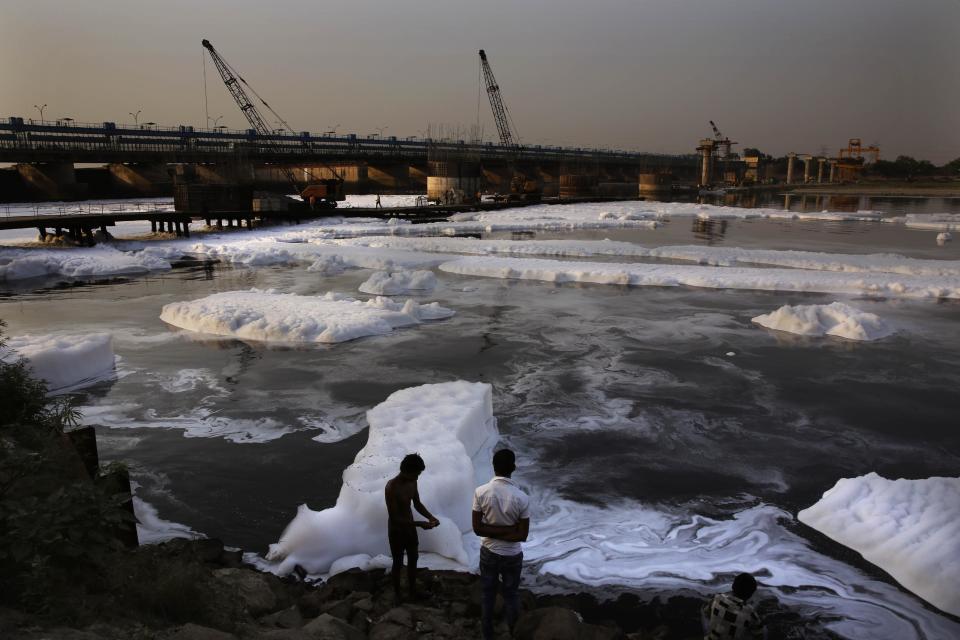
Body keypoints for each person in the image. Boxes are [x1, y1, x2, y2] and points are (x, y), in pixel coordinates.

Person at [472, 449, 530, 640]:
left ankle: (487, 634)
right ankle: (515, 632)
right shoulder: (522, 498)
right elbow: (522, 535)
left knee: (488, 595)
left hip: (488, 552)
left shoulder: (480, 492)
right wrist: (509, 530)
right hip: (512, 555)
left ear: (493, 467)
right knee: (511, 594)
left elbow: (478, 529)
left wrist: (492, 531)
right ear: (513, 468)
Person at [384, 454, 439, 600]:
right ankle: (397, 595)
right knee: (398, 562)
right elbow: (395, 518)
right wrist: (420, 524)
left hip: (409, 528)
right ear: (406, 471)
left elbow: (417, 503)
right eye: (416, 473)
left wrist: (430, 517)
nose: (418, 477)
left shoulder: (412, 482)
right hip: (396, 531)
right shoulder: (391, 487)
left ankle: (412, 591)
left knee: (413, 558)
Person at [702, 572, 767, 640]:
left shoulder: (717, 598)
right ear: (750, 595)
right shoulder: (750, 612)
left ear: (733, 586)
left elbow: (706, 613)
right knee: (762, 630)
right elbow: (760, 634)